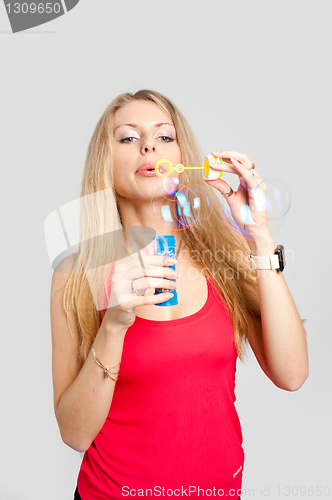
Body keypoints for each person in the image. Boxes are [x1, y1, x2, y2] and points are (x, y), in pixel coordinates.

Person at [50, 89, 309, 500]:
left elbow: (292, 375)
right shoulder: (77, 273)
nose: (149, 146)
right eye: (128, 138)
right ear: (106, 161)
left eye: (164, 136)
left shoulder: (224, 255)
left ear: (181, 154)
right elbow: (75, 434)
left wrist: (258, 238)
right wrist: (114, 324)